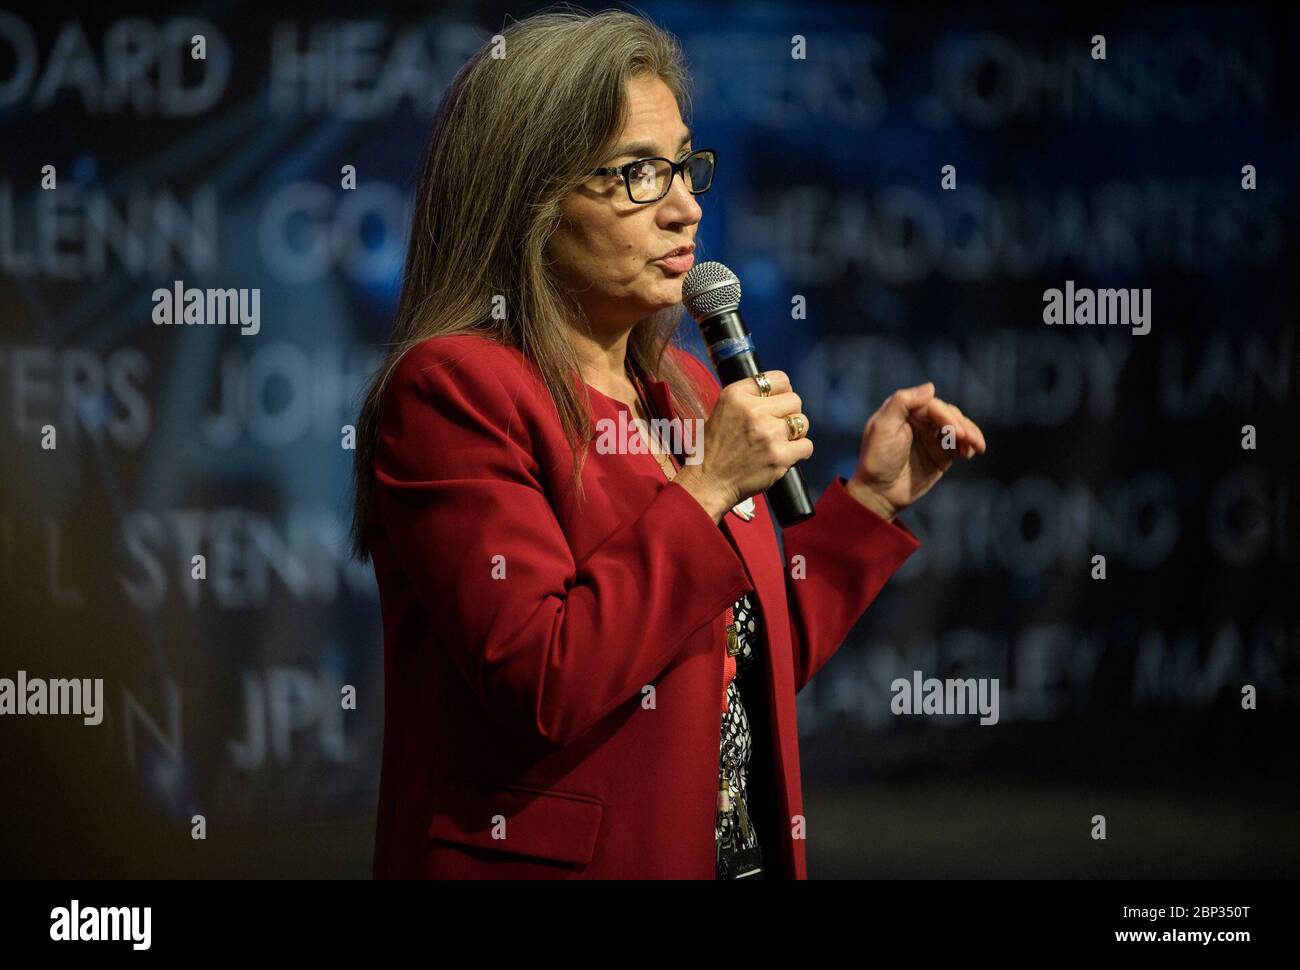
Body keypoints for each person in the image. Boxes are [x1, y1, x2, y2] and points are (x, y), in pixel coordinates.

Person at [350, 8, 986, 880]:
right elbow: (547, 678)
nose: (685, 206)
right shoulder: (455, 390)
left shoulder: (684, 387)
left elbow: (731, 662)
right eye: (639, 175)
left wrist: (870, 503)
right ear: (527, 199)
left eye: (684, 165)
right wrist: (706, 487)